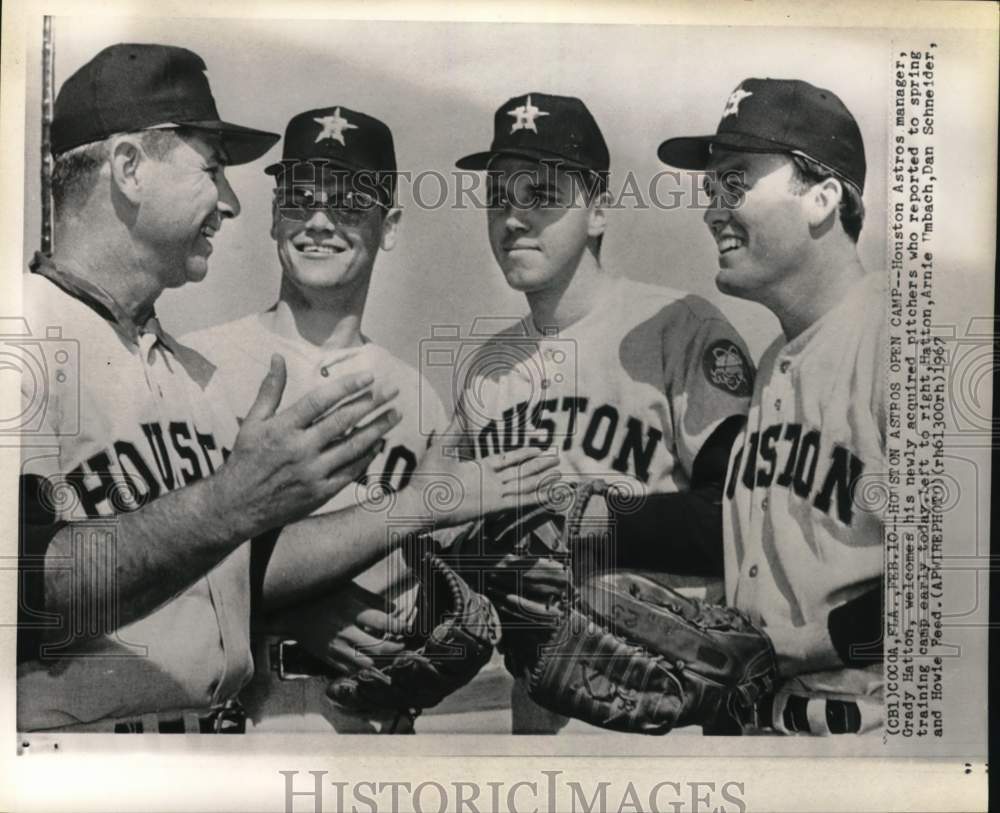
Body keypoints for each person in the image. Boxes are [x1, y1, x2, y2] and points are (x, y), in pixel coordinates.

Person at [17, 44, 554, 734]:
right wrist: (242, 515)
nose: (230, 200)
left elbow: (238, 561)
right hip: (77, 759)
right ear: (127, 168)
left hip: (223, 745)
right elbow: (25, 589)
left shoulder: (181, 371)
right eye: (212, 169)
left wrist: (436, 529)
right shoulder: (22, 331)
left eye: (348, 200)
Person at [452, 92, 754, 733]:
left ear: (597, 209)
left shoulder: (678, 324)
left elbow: (740, 515)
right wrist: (494, 568)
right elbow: (462, 533)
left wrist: (585, 523)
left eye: (541, 194)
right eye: (500, 195)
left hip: (671, 708)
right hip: (539, 709)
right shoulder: (485, 368)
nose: (514, 217)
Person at [183, 106, 450, 733]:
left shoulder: (418, 399)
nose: (320, 223)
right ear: (276, 215)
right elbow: (156, 558)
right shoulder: (199, 368)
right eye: (300, 199)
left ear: (389, 226)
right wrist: (285, 611)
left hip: (375, 730)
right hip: (233, 724)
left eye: (351, 203)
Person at [657, 77, 885, 734]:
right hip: (768, 744)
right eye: (710, 190)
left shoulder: (903, 340)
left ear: (823, 198)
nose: (710, 211)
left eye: (734, 182)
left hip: (876, 756)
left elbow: (960, 588)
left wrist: (811, 643)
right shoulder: (771, 368)